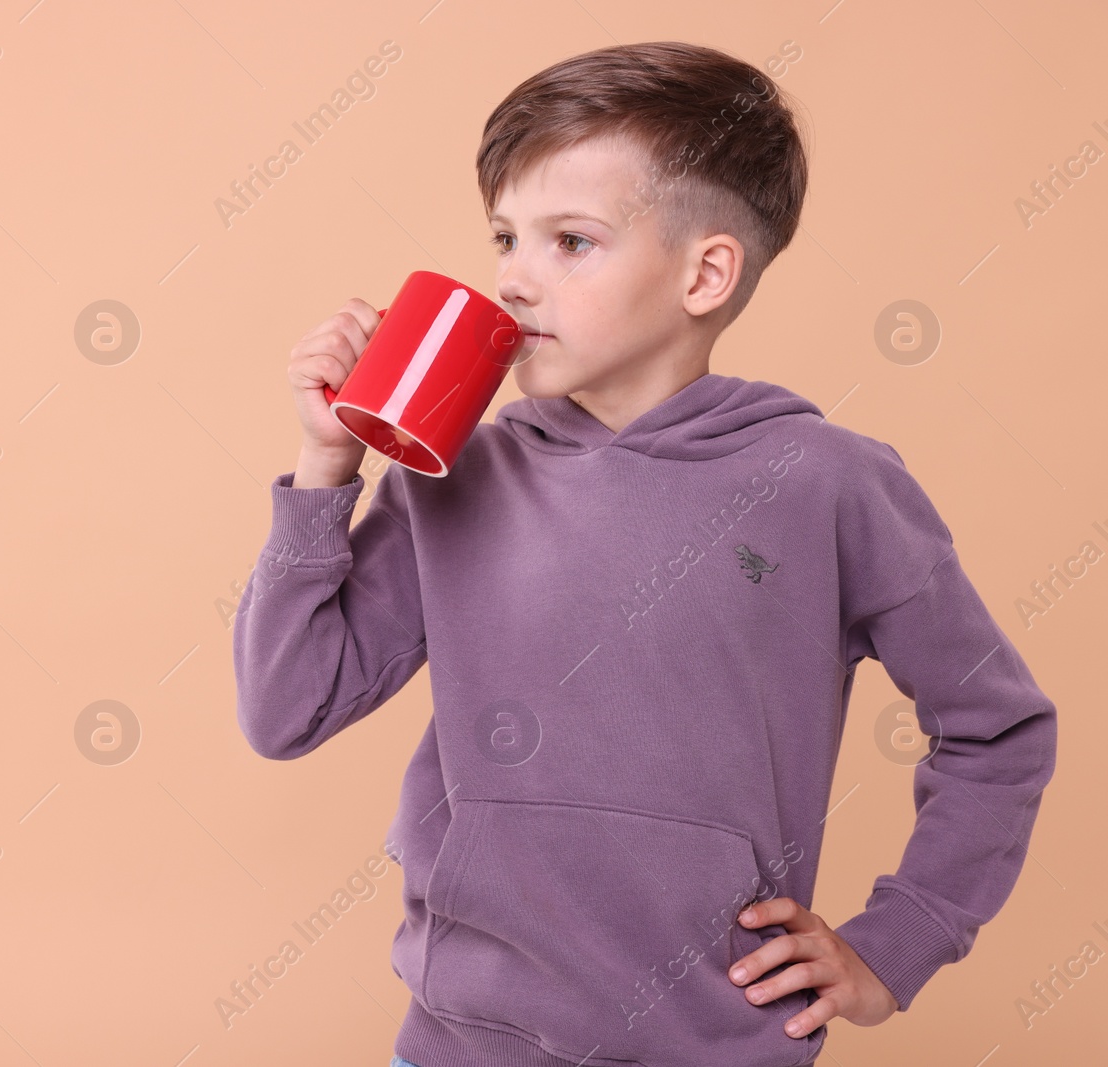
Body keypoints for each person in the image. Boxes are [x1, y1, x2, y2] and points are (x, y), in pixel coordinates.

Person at [233, 41, 1057, 1067]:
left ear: (704, 272)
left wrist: (895, 945)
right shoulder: (456, 473)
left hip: (718, 1046)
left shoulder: (825, 483)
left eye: (570, 241)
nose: (514, 280)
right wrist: (324, 474)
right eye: (505, 237)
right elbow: (285, 709)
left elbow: (997, 726)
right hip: (454, 1046)